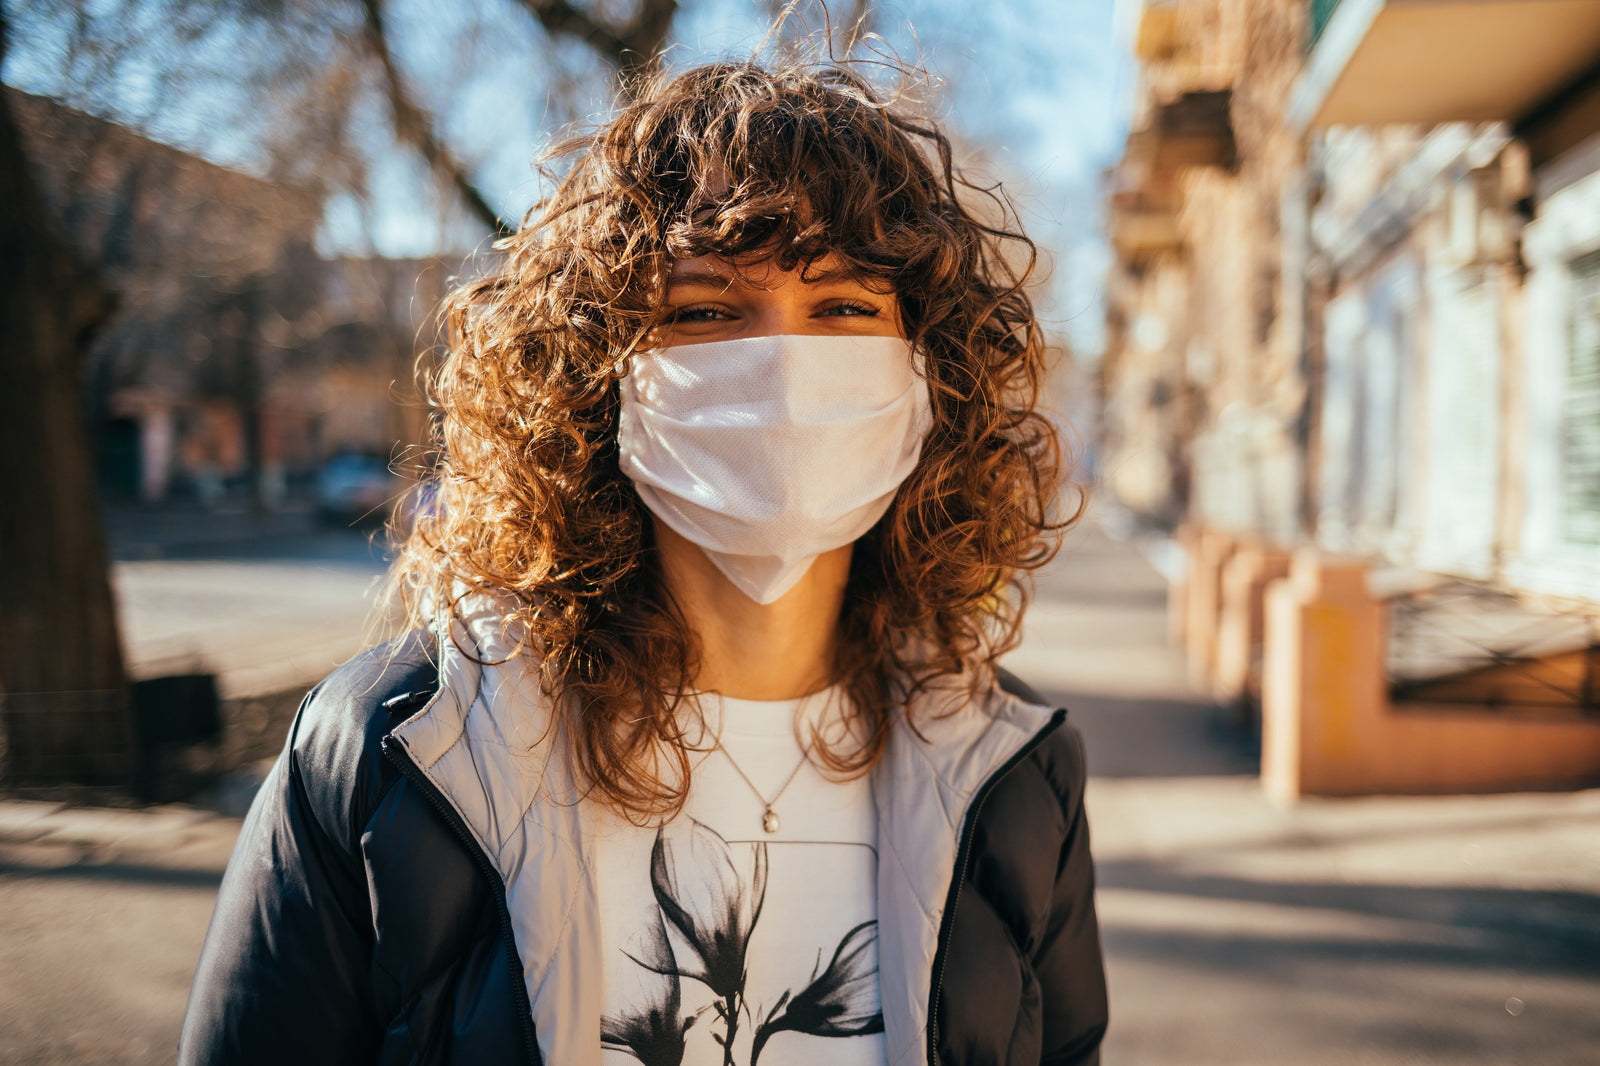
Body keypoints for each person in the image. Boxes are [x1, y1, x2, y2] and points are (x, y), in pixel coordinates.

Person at [178, 56, 1107, 1066]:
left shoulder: (1017, 774)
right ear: (600, 377)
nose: (781, 368)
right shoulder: (388, 757)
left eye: (843, 308)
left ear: (930, 375)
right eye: (704, 310)